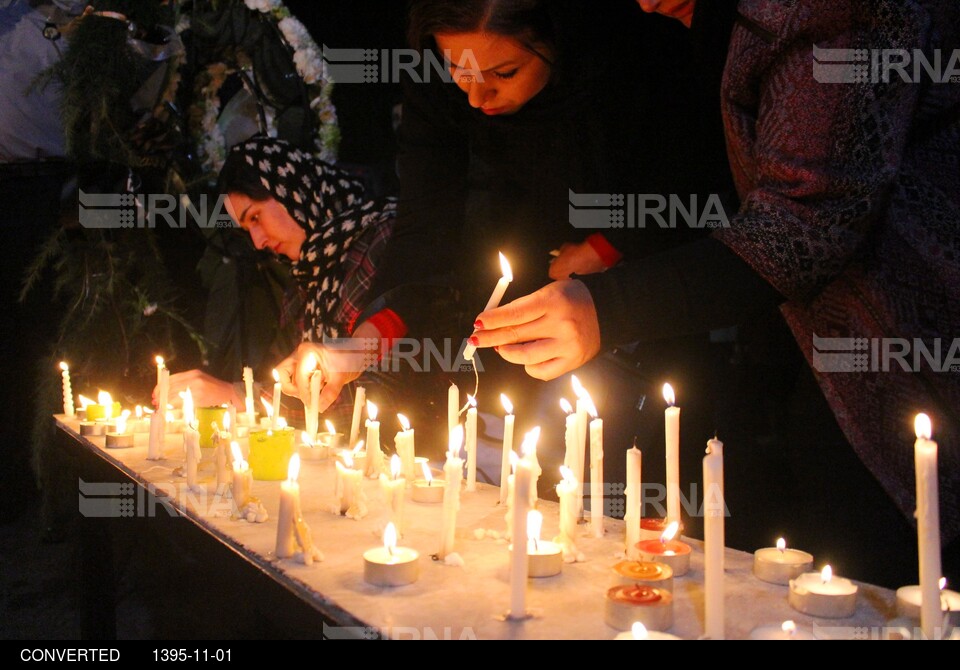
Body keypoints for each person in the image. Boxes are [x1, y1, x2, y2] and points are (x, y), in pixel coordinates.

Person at [470, 0, 960, 587]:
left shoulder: (827, 10)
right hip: (802, 343)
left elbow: (806, 222)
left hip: (906, 348)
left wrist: (609, 308)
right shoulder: (700, 24)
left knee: (884, 587)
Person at [279, 0, 738, 416]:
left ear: (553, 42)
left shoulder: (626, 58)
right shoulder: (436, 85)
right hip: (522, 284)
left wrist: (608, 244)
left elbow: (695, 172)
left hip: (659, 287)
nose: (477, 99)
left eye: (504, 73)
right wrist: (359, 347)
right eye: (460, 71)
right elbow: (425, 223)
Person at [160, 137, 398, 411]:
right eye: (247, 230)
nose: (258, 241)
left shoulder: (381, 241)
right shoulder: (304, 278)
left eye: (256, 217)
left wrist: (236, 396)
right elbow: (284, 381)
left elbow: (378, 391)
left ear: (291, 190)